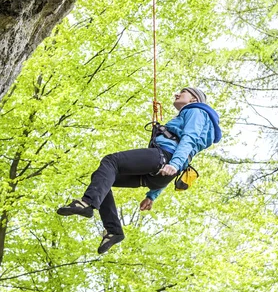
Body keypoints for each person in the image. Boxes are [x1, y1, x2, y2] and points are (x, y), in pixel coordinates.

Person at [57, 87, 221, 254]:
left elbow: (189, 139)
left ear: (194, 99)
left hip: (164, 158)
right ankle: (113, 230)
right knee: (103, 177)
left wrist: (175, 164)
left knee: (110, 161)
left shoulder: (196, 111)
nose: (177, 94)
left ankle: (87, 203)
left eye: (182, 92)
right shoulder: (194, 115)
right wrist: (152, 195)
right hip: (161, 172)